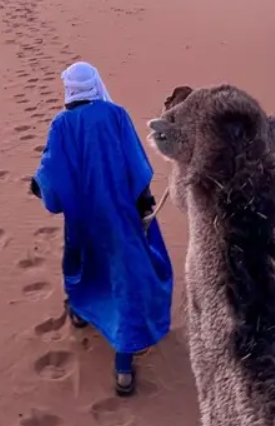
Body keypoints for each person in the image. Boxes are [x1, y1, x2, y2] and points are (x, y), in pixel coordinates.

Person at [30, 61, 173, 397]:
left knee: (85, 266)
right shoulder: (116, 115)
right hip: (121, 219)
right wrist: (143, 204)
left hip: (84, 221)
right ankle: (123, 369)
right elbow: (137, 165)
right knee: (125, 280)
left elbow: (51, 174)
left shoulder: (62, 124)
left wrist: (37, 187)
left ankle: (80, 313)